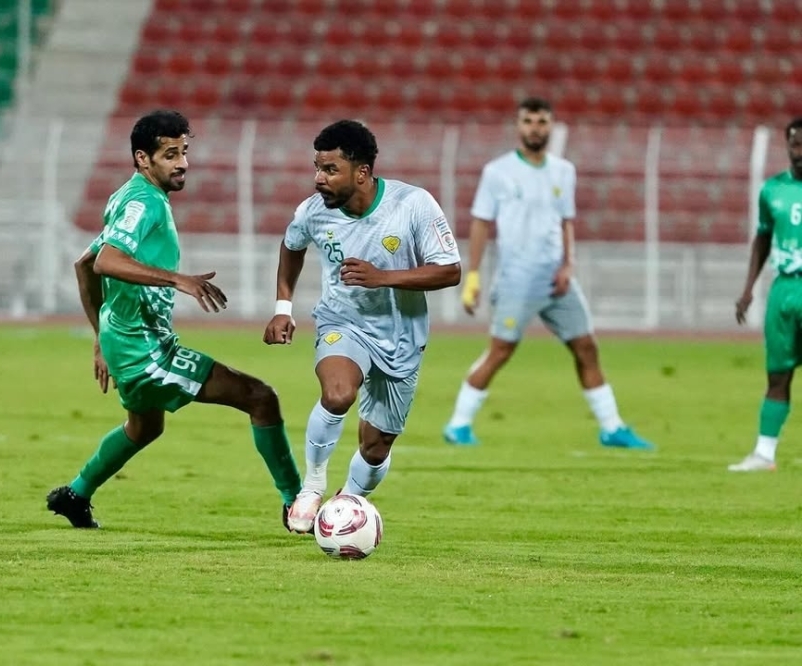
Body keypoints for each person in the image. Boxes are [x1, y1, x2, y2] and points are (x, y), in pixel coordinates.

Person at [46, 110, 301, 528]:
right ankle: (297, 504)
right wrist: (177, 279)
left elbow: (84, 263)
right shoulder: (143, 202)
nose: (182, 162)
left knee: (144, 428)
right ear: (142, 159)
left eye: (184, 151)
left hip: (125, 341)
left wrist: (100, 338)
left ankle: (75, 494)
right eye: (169, 154)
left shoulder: (130, 196)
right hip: (146, 350)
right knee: (261, 397)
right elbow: (105, 263)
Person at [264, 119, 462, 534]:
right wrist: (284, 306)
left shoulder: (413, 205)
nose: (319, 179)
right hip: (342, 321)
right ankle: (311, 487)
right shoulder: (313, 212)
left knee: (376, 447)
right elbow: (292, 246)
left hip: (401, 336)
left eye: (330, 169)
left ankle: (345, 503)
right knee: (337, 395)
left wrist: (384, 277)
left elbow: (449, 271)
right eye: (316, 168)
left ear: (362, 172)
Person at [442, 97, 653, 450]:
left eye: (541, 122)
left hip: (557, 278)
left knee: (586, 346)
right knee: (501, 351)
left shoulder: (563, 171)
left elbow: (565, 220)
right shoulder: (498, 172)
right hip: (516, 279)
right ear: (518, 126)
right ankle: (458, 424)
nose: (535, 128)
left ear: (551, 126)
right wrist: (474, 276)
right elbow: (481, 223)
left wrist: (569, 264)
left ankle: (612, 428)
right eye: (528, 121)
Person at [729, 117, 802, 472]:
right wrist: (748, 290)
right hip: (784, 288)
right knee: (778, 373)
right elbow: (762, 238)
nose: (800, 152)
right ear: (787, 146)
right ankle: (764, 454)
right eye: (795, 144)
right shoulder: (772, 190)